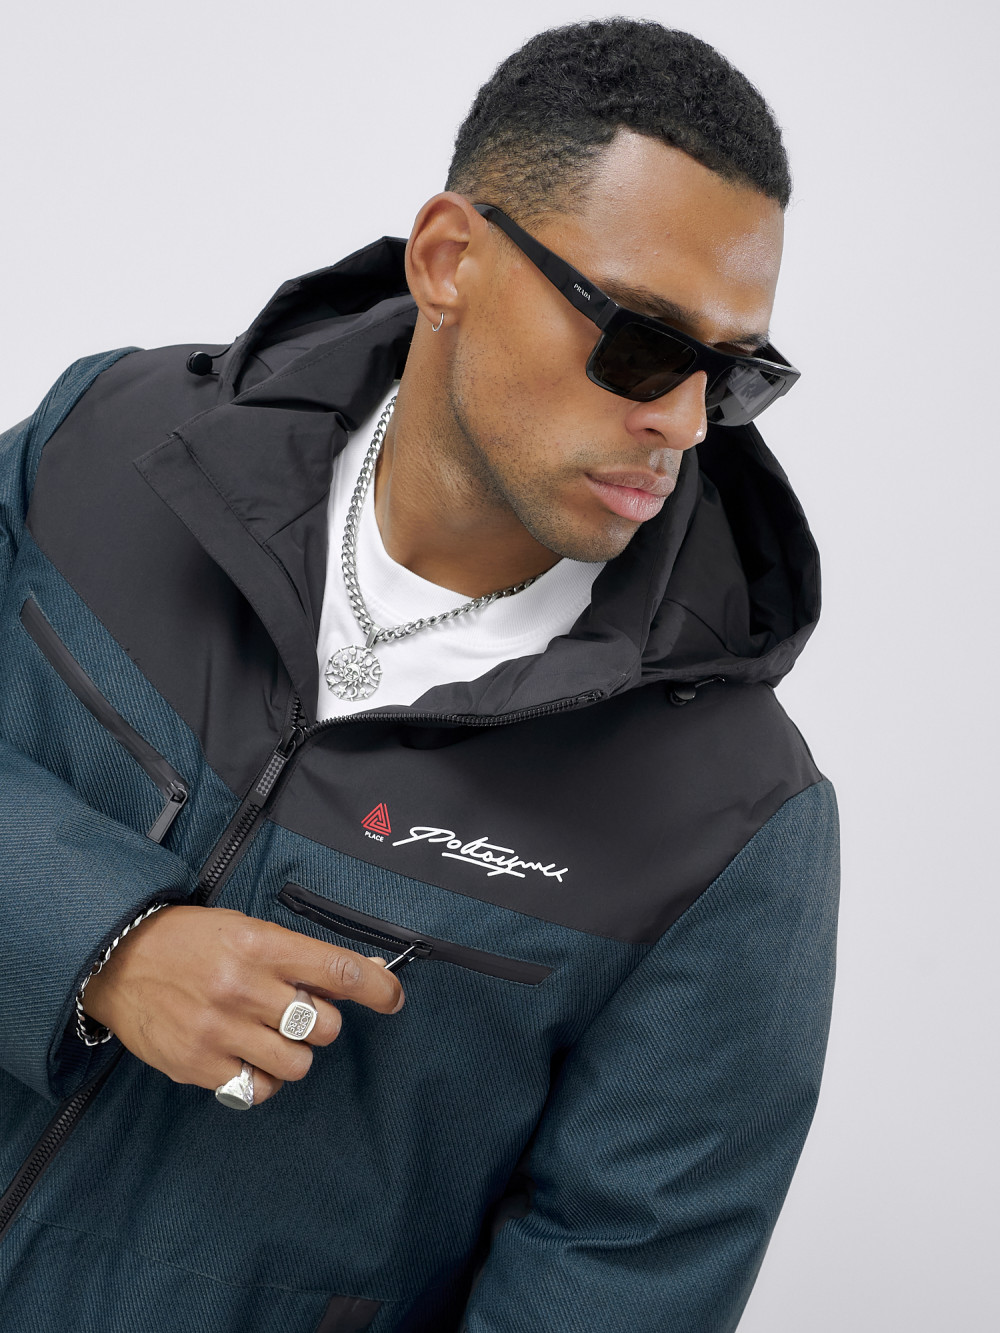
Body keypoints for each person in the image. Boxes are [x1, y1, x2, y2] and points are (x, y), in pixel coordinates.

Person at [0, 17, 839, 1333]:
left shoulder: (726, 821)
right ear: (450, 260)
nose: (681, 420)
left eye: (734, 375)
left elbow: (615, 1288)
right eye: (641, 343)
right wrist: (95, 940)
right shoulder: (108, 445)